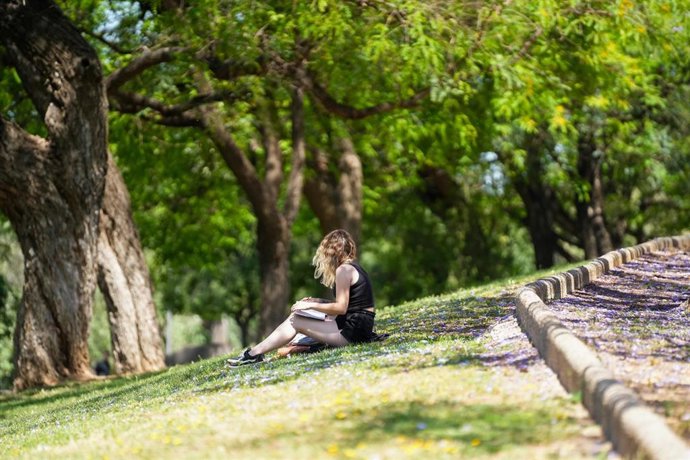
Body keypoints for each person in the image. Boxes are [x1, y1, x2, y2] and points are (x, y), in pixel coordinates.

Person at [228, 229, 376, 366]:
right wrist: (316, 301)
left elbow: (341, 308)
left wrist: (309, 306)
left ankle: (253, 354)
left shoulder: (343, 270)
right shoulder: (354, 267)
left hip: (353, 334)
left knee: (295, 320)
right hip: (359, 328)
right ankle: (256, 353)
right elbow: (350, 306)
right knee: (300, 316)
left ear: (332, 252)